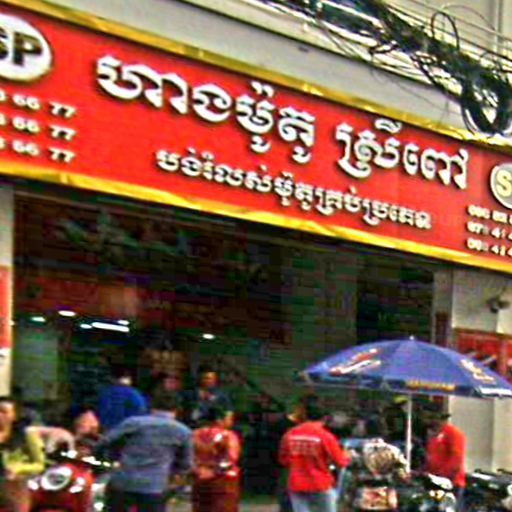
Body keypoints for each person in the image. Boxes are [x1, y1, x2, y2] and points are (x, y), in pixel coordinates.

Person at [95, 392, 193, 512]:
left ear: (151, 405)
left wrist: (108, 460)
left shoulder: (133, 422)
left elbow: (104, 442)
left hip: (123, 481)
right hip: (155, 487)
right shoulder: (183, 431)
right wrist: (174, 477)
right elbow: (186, 463)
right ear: (177, 409)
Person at [279, 402, 351, 512]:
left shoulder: (290, 434)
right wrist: (347, 457)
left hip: (296, 482)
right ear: (325, 418)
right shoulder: (325, 436)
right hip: (320, 482)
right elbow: (340, 462)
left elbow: (283, 460)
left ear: (305, 416)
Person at [0, 396, 45, 512]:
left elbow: (40, 464)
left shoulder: (26, 435)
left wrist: (17, 468)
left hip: (14, 484)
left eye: (4, 412)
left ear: (14, 416)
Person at [192, 405, 241, 512]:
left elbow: (188, 457)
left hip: (199, 476)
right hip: (223, 480)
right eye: (229, 418)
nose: (231, 421)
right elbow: (231, 458)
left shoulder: (194, 434)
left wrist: (197, 469)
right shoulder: (227, 435)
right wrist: (215, 471)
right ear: (219, 420)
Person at [423, 401, 466, 508]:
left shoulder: (453, 434)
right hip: (433, 482)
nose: (427, 421)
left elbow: (456, 460)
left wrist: (442, 476)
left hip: (450, 483)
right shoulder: (433, 435)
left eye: (430, 418)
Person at [97, 366, 148, 431]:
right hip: (129, 429)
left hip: (108, 430)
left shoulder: (105, 393)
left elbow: (102, 412)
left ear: (112, 379)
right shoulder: (134, 394)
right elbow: (141, 411)